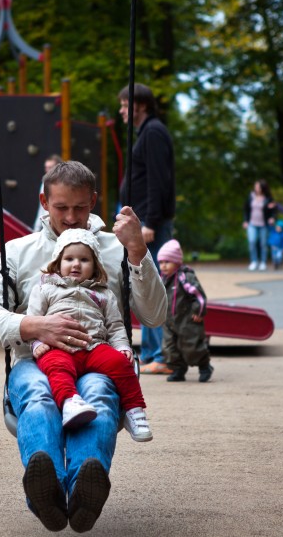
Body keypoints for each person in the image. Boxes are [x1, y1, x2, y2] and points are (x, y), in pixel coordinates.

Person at [0, 161, 166, 533]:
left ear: (94, 201)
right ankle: (47, 486)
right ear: (44, 201)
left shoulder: (116, 248)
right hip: (37, 360)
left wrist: (138, 249)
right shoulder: (17, 252)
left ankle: (82, 491)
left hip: (98, 360)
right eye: (62, 208)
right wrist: (33, 325)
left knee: (96, 391)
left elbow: (155, 315)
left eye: (80, 207)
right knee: (38, 393)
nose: (72, 217)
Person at [28, 228, 152, 442]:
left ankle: (135, 410)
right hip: (60, 347)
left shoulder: (103, 294)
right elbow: (33, 320)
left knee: (121, 364)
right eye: (69, 259)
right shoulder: (46, 289)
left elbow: (115, 325)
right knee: (56, 368)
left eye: (84, 259)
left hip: (95, 346)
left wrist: (122, 346)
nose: (76, 264)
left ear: (95, 266)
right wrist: (37, 342)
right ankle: (70, 402)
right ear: (58, 263)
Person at [118, 83, 175, 376]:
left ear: (139, 104)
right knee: (144, 283)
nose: (122, 111)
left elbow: (158, 180)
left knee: (152, 284)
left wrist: (150, 221)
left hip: (149, 223)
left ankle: (161, 354)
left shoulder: (153, 132)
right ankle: (155, 351)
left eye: (125, 105)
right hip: (142, 220)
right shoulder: (147, 133)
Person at [157, 239, 214, 383]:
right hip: (169, 320)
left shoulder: (184, 276)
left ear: (176, 262)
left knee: (191, 345)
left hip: (187, 319)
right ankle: (178, 369)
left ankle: (204, 365)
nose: (163, 266)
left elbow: (198, 295)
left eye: (167, 262)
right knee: (169, 347)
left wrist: (199, 312)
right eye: (161, 262)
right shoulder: (162, 278)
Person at [242, 179, 275, 271]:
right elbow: (246, 209)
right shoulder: (251, 196)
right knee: (252, 241)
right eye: (255, 186)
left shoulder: (268, 198)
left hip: (263, 224)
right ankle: (254, 261)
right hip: (252, 223)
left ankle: (263, 262)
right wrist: (245, 221)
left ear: (262, 188)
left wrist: (272, 218)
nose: (256, 188)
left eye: (258, 186)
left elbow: (273, 211)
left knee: (263, 244)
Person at [33, 154, 63, 231]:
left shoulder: (66, 183)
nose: (47, 170)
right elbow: (41, 207)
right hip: (46, 225)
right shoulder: (44, 183)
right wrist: (36, 229)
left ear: (57, 167)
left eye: (50, 167)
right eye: (46, 167)